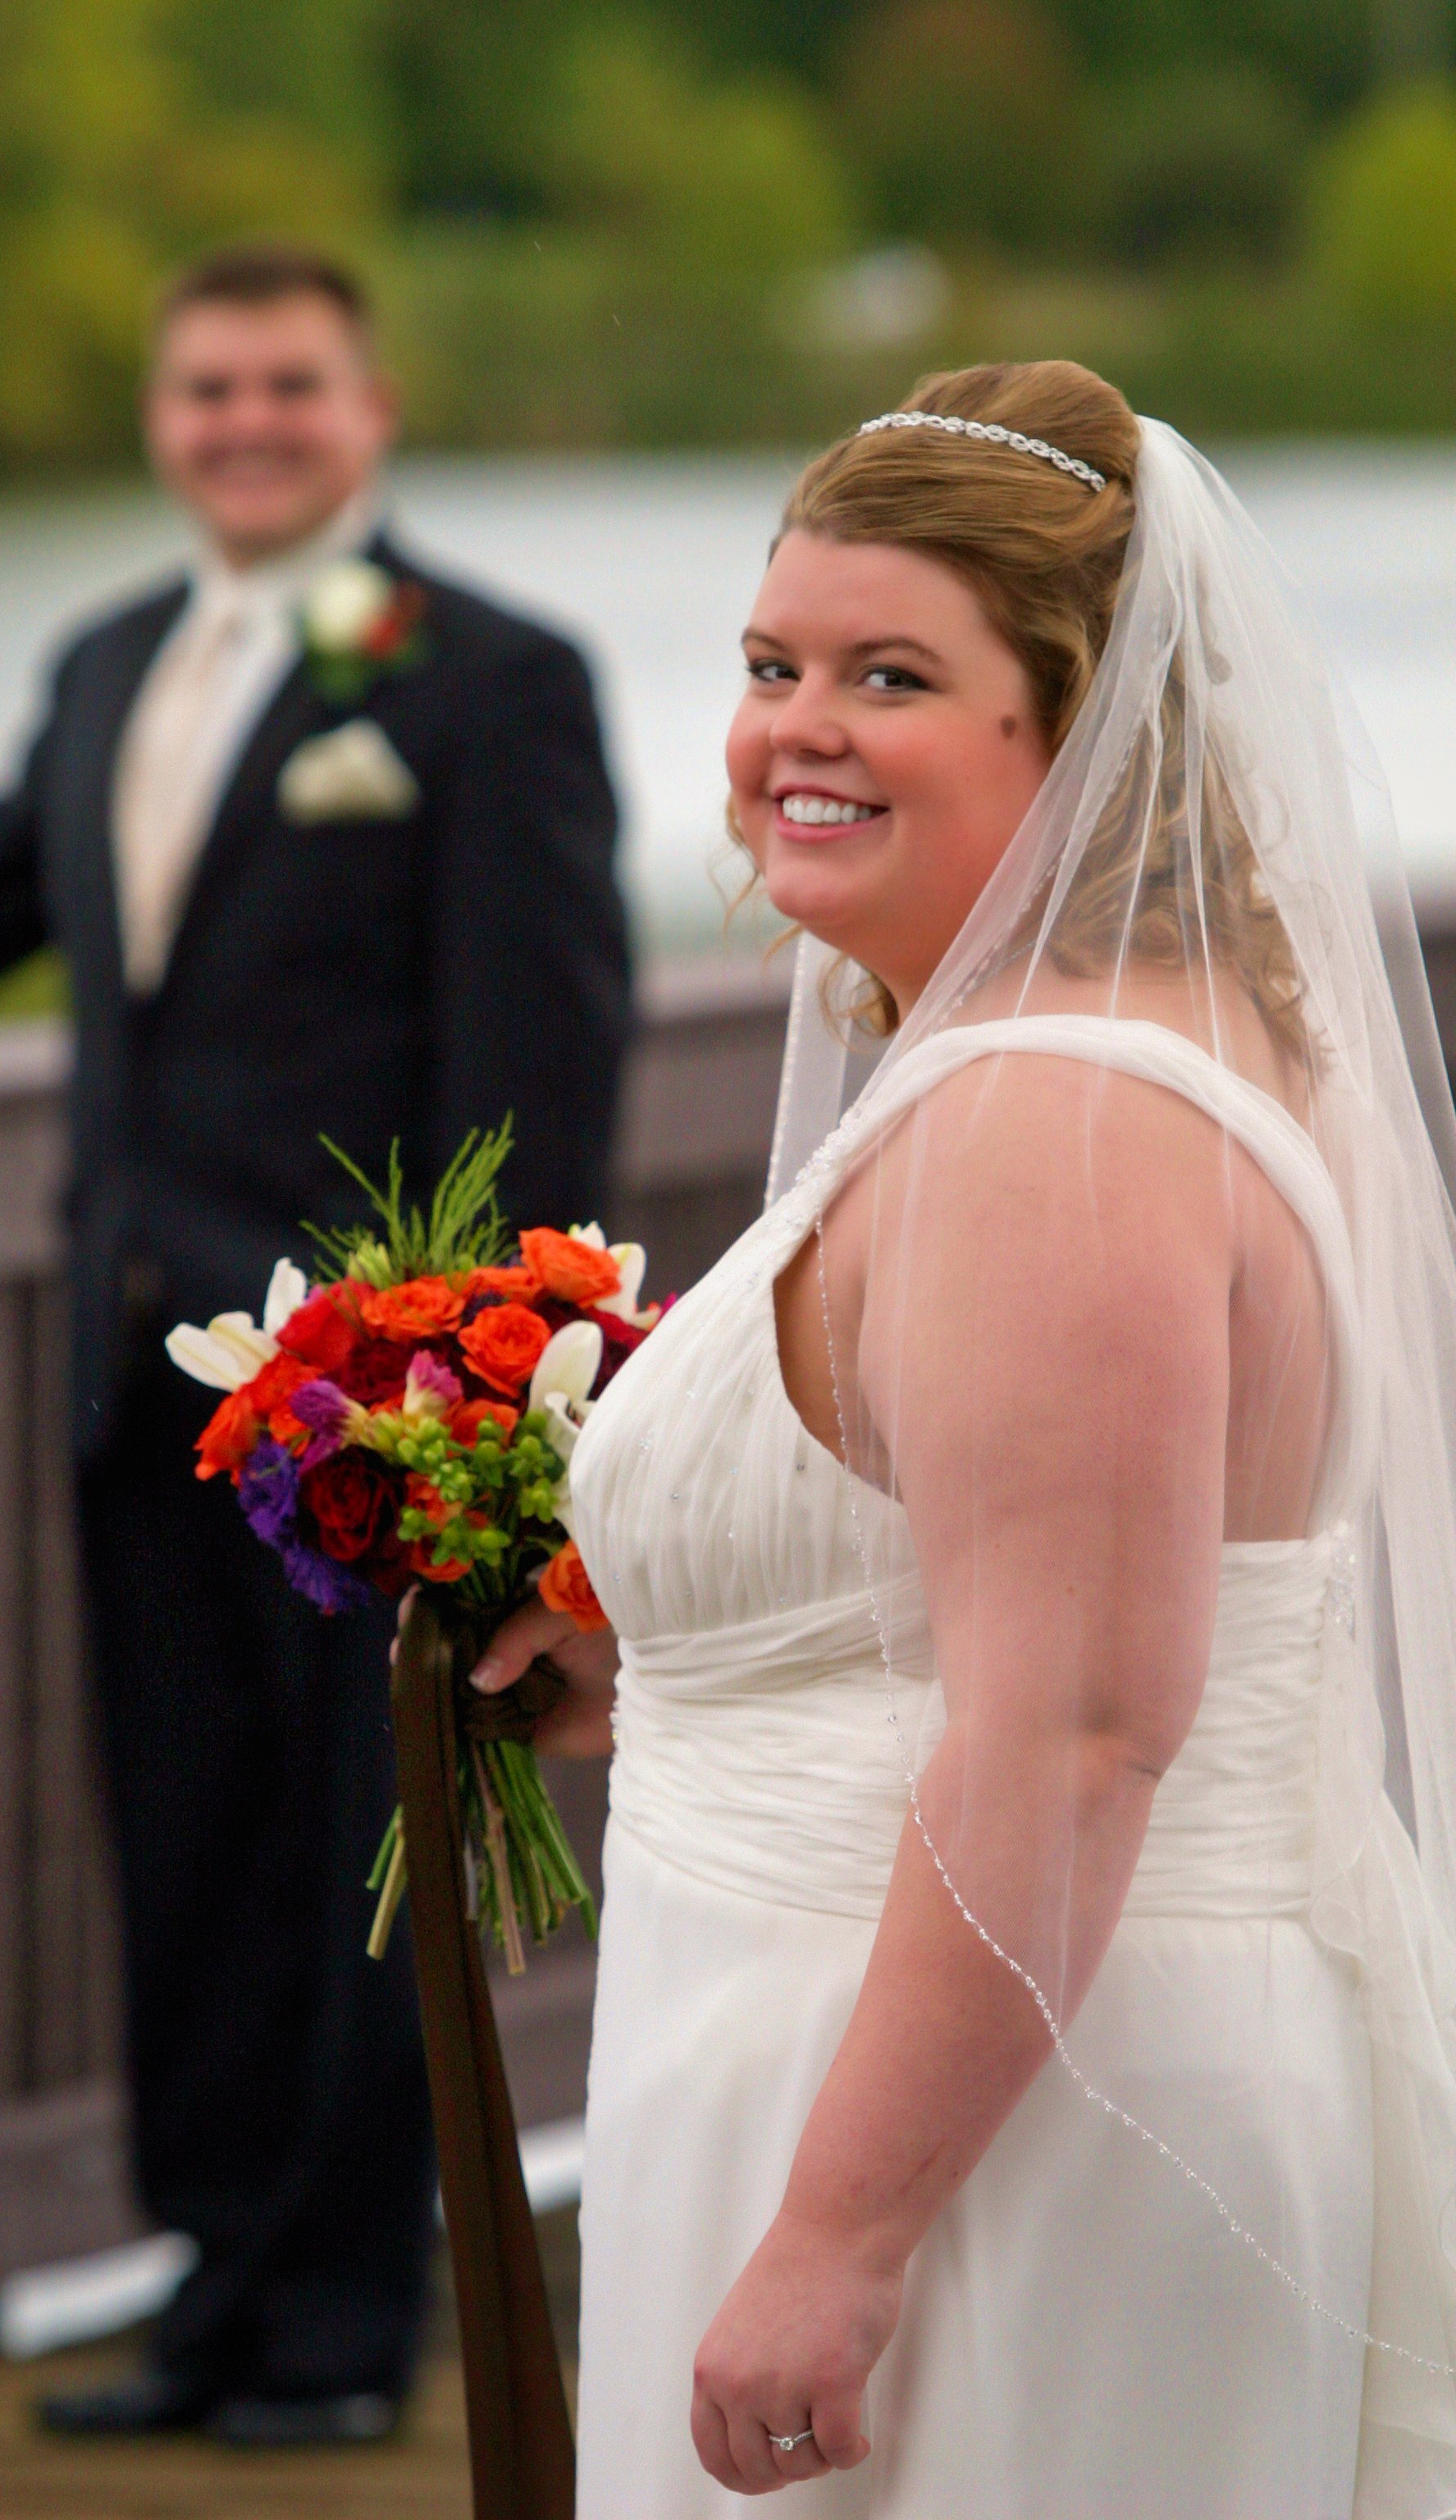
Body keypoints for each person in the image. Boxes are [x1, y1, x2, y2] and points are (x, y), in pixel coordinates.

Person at [475, 361, 1456, 2513]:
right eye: (770, 663)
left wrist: (841, 2238)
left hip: (1009, 2137)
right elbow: (988, 1623)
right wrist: (664, 1677)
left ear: (1081, 725)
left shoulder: (1060, 1122)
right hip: (907, 2043)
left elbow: (1078, 1735)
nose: (794, 728)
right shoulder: (1093, 1053)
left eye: (891, 675)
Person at [0, 244, 629, 2444]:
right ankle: (215, 2292)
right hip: (141, 1375)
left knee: (366, 1850)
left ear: (372, 405)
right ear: (163, 419)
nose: (245, 420)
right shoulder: (103, 663)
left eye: (289, 384)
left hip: (370, 1407)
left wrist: (475, 1392)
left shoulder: (485, 679)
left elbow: (540, 1054)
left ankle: (348, 2333)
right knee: (189, 1840)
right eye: (207, 388)